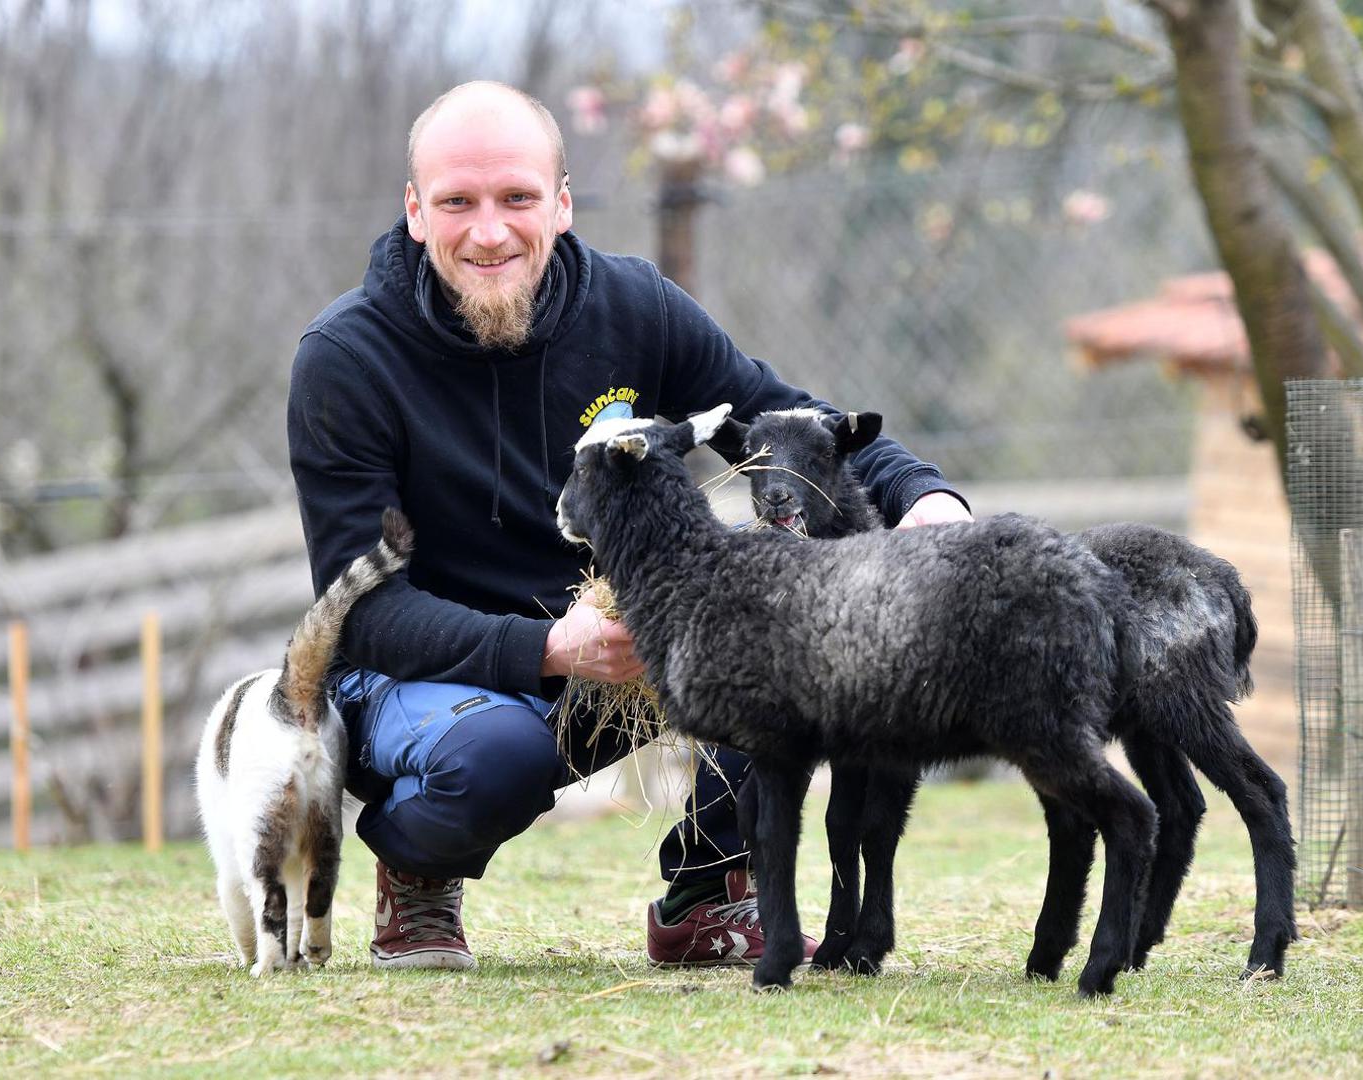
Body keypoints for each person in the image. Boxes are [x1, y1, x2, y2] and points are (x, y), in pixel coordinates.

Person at [287, 80, 972, 971]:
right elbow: (362, 615)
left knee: (765, 618)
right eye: (458, 202)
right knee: (496, 754)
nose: (488, 232)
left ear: (562, 203)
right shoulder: (345, 360)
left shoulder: (634, 309)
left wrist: (924, 498)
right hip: (421, 677)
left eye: (517, 199)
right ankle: (417, 872)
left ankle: (710, 891)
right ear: (415, 212)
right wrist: (546, 648)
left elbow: (784, 423)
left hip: (609, 659)